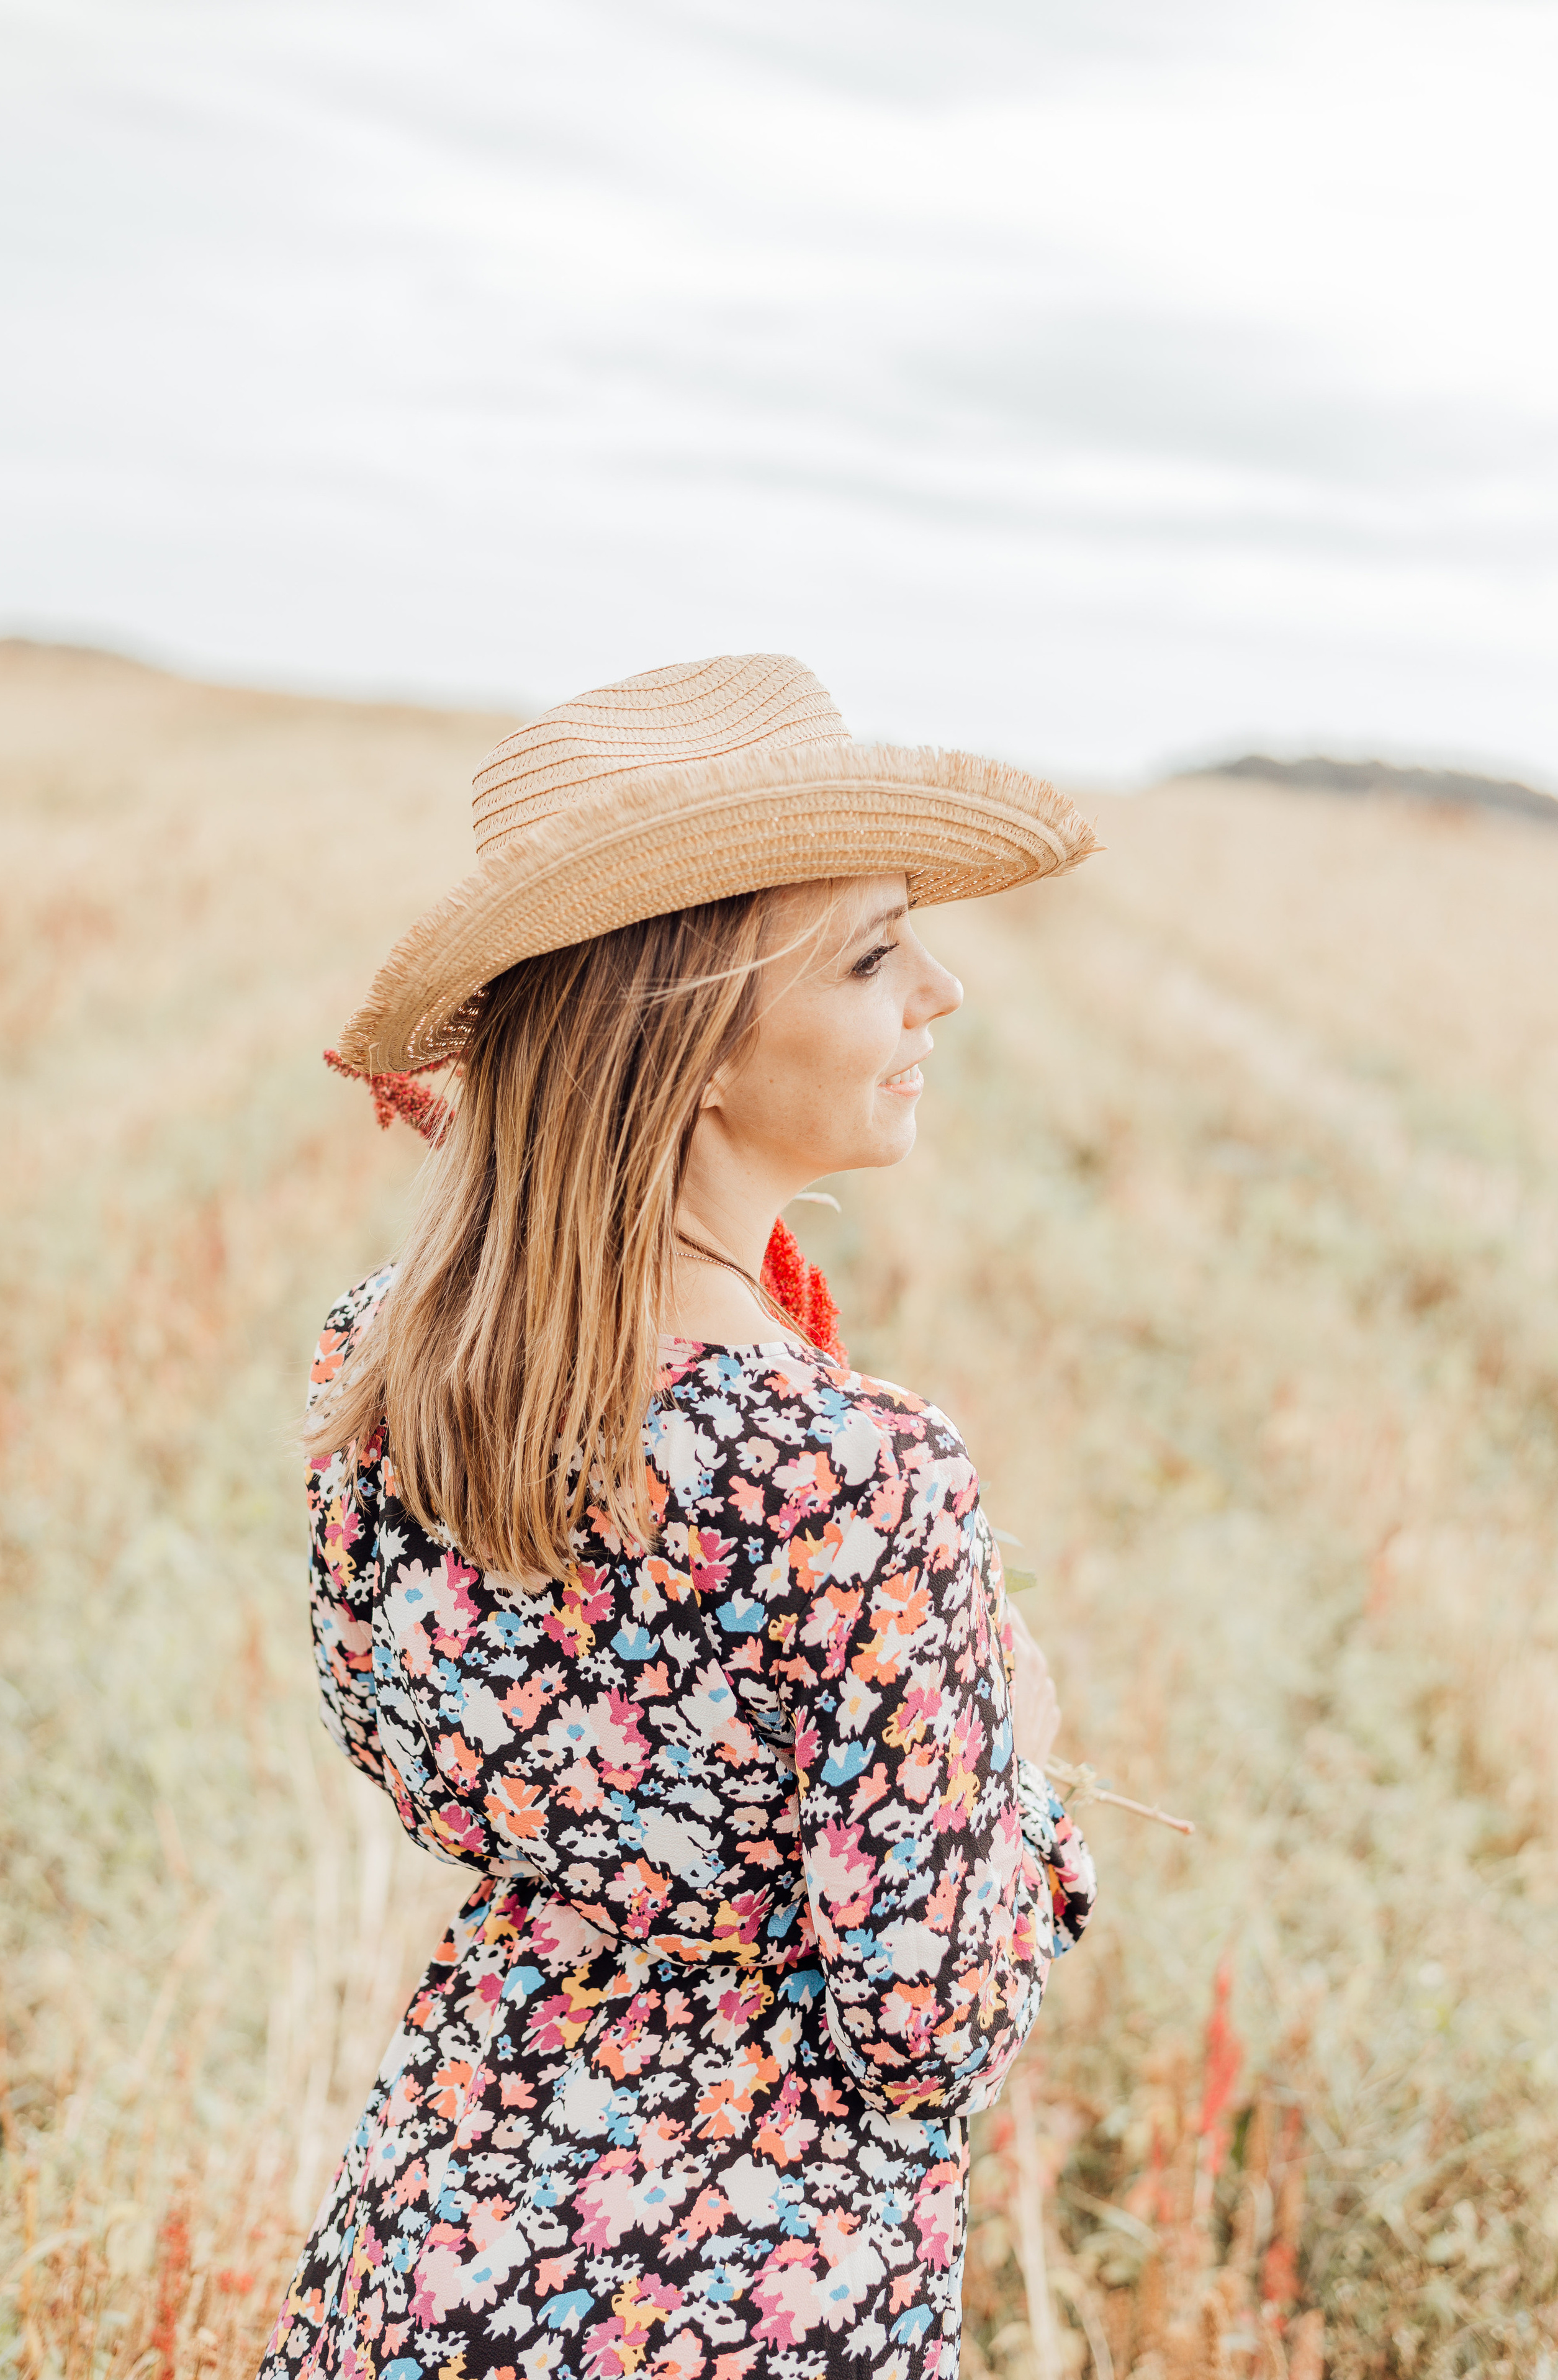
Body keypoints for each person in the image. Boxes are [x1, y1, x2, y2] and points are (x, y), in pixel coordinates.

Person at [261, 656, 1099, 2380]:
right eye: (872, 953)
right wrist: (1026, 1750)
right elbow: (926, 2025)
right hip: (754, 2295)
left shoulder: (387, 1357)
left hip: (440, 2238)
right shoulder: (859, 1478)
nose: (940, 990)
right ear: (695, 1040)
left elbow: (414, 1758)